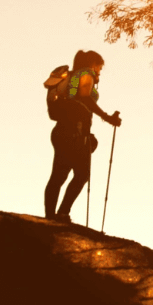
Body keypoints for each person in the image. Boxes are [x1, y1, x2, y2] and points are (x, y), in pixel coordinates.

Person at [44, 50, 122, 222]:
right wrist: (108, 118)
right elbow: (85, 98)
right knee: (80, 174)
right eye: (100, 68)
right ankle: (61, 213)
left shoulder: (71, 76)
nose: (100, 72)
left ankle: (51, 216)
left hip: (63, 130)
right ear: (94, 64)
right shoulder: (86, 73)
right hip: (75, 132)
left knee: (59, 175)